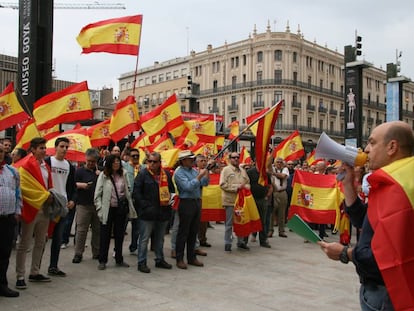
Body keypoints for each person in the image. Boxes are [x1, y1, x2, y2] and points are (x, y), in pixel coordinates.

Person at [318, 121, 414, 311]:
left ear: (392, 147)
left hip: (387, 292)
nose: (366, 150)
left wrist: (346, 253)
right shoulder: (399, 178)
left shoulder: (397, 187)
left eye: (372, 142)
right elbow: (368, 222)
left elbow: (387, 255)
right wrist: (348, 186)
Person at [15, 137, 53, 289]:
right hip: (31, 208)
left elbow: (47, 186)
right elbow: (24, 187)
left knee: (41, 242)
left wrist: (49, 196)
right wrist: (43, 196)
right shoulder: (24, 165)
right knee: (24, 243)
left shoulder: (46, 166)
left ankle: (35, 272)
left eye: (44, 148)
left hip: (44, 209)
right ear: (33, 150)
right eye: (41, 148)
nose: (44, 150)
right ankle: (20, 275)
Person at [133, 152, 175, 273]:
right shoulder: (142, 174)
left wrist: (169, 202)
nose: (151, 164)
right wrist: (145, 206)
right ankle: (141, 262)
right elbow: (136, 192)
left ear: (159, 163)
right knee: (144, 238)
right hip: (147, 213)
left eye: (154, 162)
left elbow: (171, 190)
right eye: (149, 161)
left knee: (160, 238)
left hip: (163, 211)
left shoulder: (166, 174)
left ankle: (159, 259)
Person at [94, 154, 137, 270]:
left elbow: (127, 190)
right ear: (109, 163)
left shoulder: (124, 174)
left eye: (118, 161)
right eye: (114, 162)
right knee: (105, 235)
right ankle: (102, 260)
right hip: (107, 209)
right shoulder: (104, 176)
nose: (116, 163)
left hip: (120, 209)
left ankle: (119, 258)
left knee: (119, 235)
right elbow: (97, 195)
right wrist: (99, 209)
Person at [44, 137, 77, 277]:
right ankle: (35, 269)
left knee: (57, 238)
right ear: (56, 147)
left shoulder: (69, 166)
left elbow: (72, 186)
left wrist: (72, 200)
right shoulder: (48, 162)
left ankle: (53, 266)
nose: (64, 149)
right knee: (42, 238)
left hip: (62, 206)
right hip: (47, 203)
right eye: (62, 146)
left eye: (66, 147)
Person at [173, 150, 209, 269]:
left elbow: (204, 183)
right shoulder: (179, 173)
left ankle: (191, 257)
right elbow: (188, 187)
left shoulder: (193, 170)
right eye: (190, 159)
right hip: (186, 202)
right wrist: (200, 175)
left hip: (196, 202)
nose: (192, 161)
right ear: (183, 161)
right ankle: (179, 258)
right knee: (183, 232)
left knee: (193, 232)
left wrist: (206, 171)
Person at [72, 148, 101, 264]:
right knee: (81, 230)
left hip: (97, 205)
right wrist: (81, 185)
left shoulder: (100, 172)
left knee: (97, 230)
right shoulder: (79, 172)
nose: (90, 163)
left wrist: (101, 175)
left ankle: (97, 252)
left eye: (93, 161)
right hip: (83, 204)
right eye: (89, 161)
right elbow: (72, 185)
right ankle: (78, 253)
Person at [0, 142, 22, 297]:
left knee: (4, 254)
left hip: (7, 219)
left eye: (1, 151)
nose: (0, 153)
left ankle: (2, 284)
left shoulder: (12, 171)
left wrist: (17, 211)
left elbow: (18, 193)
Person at [219, 152, 250, 251]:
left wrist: (245, 187)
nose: (236, 159)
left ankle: (240, 242)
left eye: (238, 157)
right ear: (230, 159)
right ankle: (228, 243)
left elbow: (248, 183)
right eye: (234, 157)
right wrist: (237, 187)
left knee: (241, 221)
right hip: (230, 201)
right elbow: (223, 185)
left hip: (241, 202)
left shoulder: (242, 170)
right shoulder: (226, 170)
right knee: (229, 223)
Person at [246, 164, 272, 248]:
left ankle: (263, 240)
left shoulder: (266, 173)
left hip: (262, 200)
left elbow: (270, 186)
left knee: (262, 221)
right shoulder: (249, 172)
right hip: (251, 200)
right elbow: (246, 184)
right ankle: (244, 241)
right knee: (249, 220)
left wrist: (267, 196)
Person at [123, 148, 141, 254]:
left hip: (138, 200)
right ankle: (117, 249)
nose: (135, 158)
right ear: (129, 156)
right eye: (133, 155)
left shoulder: (142, 168)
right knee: (122, 225)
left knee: (137, 225)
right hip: (127, 199)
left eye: (137, 156)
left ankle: (134, 246)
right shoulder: (124, 166)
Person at [269, 157, 288, 238]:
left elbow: (283, 176)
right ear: (275, 163)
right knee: (271, 213)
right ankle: (270, 230)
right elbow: (268, 165)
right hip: (273, 193)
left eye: (281, 162)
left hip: (282, 192)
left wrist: (273, 173)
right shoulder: (272, 168)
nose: (279, 164)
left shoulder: (285, 169)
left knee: (282, 212)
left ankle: (281, 231)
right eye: (277, 162)